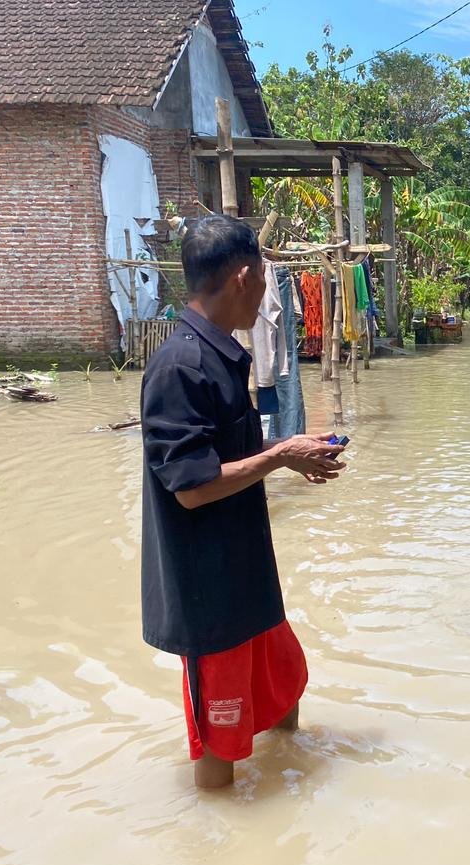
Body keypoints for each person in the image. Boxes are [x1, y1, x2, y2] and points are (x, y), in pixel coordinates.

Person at [140, 215, 347, 789]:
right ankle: (220, 855)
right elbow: (191, 488)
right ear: (244, 276)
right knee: (222, 741)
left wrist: (290, 448)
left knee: (286, 687)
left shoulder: (222, 354)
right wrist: (279, 460)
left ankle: (291, 785)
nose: (265, 292)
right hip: (209, 590)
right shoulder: (180, 366)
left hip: (247, 575)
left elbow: (231, 452)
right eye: (264, 277)